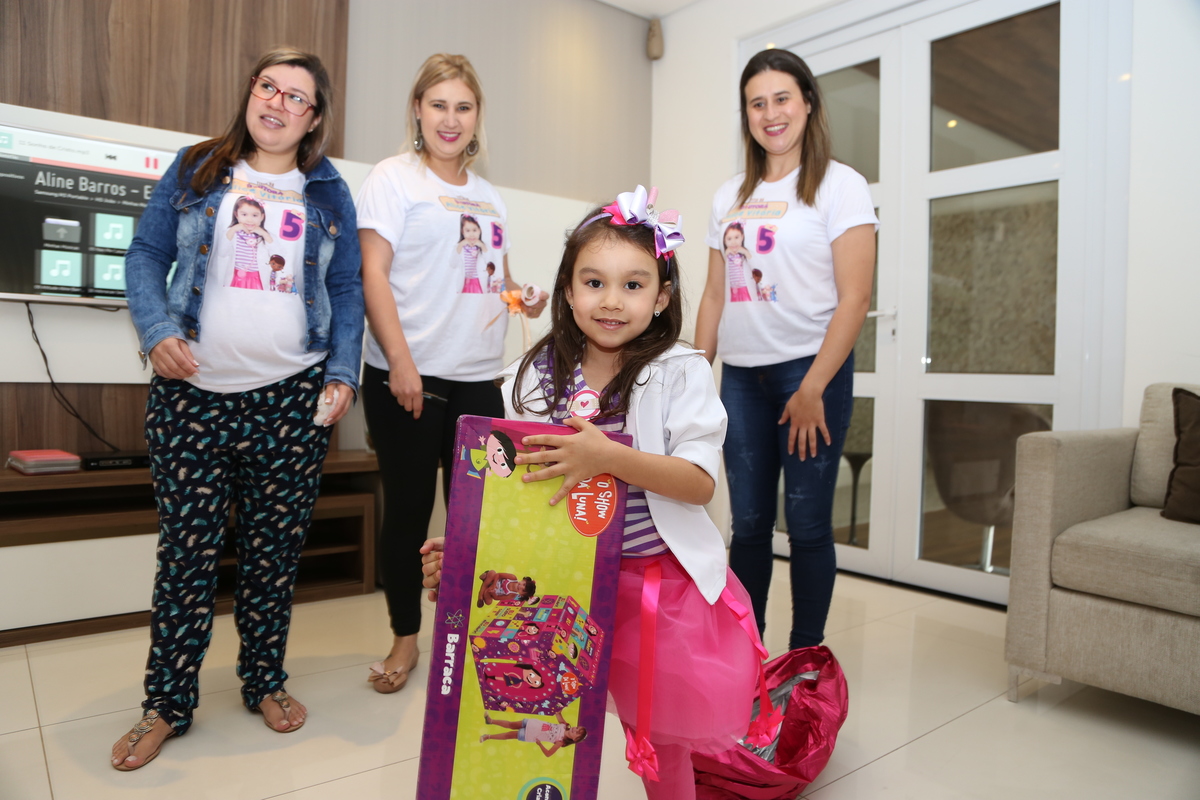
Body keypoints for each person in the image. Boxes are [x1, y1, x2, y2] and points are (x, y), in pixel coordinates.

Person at [422, 190, 763, 800]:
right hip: (562, 587)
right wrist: (468, 553)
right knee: (548, 733)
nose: (611, 300)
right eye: (594, 282)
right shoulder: (531, 375)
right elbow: (513, 491)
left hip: (657, 593)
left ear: (661, 297)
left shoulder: (681, 370)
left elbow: (698, 482)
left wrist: (609, 458)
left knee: (658, 742)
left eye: (633, 285)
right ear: (568, 290)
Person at [114, 47, 363, 770]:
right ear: (250, 93)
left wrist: (343, 372)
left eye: (296, 96)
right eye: (268, 87)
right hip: (191, 400)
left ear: (314, 118)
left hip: (292, 402)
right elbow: (145, 254)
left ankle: (264, 681)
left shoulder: (328, 190)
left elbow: (345, 288)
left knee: (272, 557)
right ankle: (166, 704)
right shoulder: (197, 166)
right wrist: (156, 329)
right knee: (186, 559)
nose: (277, 103)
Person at [356, 53, 546, 694]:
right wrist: (401, 364)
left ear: (476, 116)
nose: (450, 118)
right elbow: (373, 273)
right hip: (408, 378)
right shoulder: (393, 178)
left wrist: (522, 296)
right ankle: (405, 638)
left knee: (479, 519)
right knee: (410, 512)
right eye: (438, 104)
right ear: (417, 110)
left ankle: (472, 635)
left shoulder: (488, 195)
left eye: (463, 107)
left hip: (477, 378)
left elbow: (493, 278)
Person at [695, 48, 878, 650]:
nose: (770, 113)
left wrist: (813, 386)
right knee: (748, 525)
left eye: (782, 99)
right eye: (757, 103)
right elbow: (715, 294)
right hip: (742, 380)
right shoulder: (729, 196)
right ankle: (747, 655)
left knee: (807, 526)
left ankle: (804, 660)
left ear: (808, 103)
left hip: (811, 374)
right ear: (745, 114)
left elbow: (855, 298)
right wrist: (694, 375)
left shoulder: (840, 186)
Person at [480, 711, 587, 756]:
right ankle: (490, 721)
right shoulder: (564, 725)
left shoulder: (561, 741)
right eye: (577, 728)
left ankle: (488, 737)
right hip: (532, 723)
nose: (575, 730)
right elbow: (557, 713)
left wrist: (540, 744)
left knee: (508, 735)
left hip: (530, 735)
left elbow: (548, 754)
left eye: (577, 733)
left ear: (575, 739)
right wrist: (560, 707)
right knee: (511, 724)